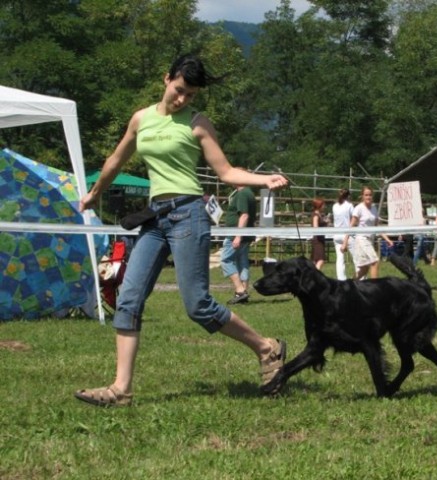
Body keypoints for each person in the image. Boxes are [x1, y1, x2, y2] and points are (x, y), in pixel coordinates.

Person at [73, 54, 288, 407]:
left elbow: (227, 172)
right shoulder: (141, 119)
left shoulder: (198, 124)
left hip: (189, 215)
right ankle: (121, 389)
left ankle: (267, 348)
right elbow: (115, 160)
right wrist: (94, 194)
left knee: (197, 305)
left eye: (190, 95)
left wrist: (265, 180)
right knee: (128, 298)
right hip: (155, 219)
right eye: (180, 90)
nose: (183, 99)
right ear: (166, 79)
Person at [343, 186, 393, 280]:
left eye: (370, 195)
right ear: (362, 196)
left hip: (370, 240)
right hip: (361, 239)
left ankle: (351, 284)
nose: (368, 197)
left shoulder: (374, 208)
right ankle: (375, 288)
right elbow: (351, 226)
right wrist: (345, 242)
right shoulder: (359, 208)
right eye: (366, 195)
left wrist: (387, 239)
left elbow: (377, 227)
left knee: (364, 269)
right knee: (374, 261)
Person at [221, 176, 256, 305]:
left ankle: (240, 290)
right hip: (245, 234)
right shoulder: (249, 193)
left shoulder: (242, 194)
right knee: (242, 262)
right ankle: (243, 292)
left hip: (236, 235)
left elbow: (244, 215)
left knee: (226, 260)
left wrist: (238, 235)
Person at [332, 188, 354, 280]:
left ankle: (341, 279)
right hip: (347, 235)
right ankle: (361, 277)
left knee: (340, 260)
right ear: (348, 196)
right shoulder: (349, 206)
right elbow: (354, 220)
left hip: (336, 234)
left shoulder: (334, 206)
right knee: (356, 258)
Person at [310, 197, 329, 270]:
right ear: (319, 205)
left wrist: (325, 222)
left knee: (315, 261)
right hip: (317, 240)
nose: (324, 206)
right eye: (323, 204)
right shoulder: (316, 215)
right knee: (321, 260)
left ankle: (312, 276)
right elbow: (315, 228)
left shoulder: (319, 215)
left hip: (320, 239)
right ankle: (315, 275)